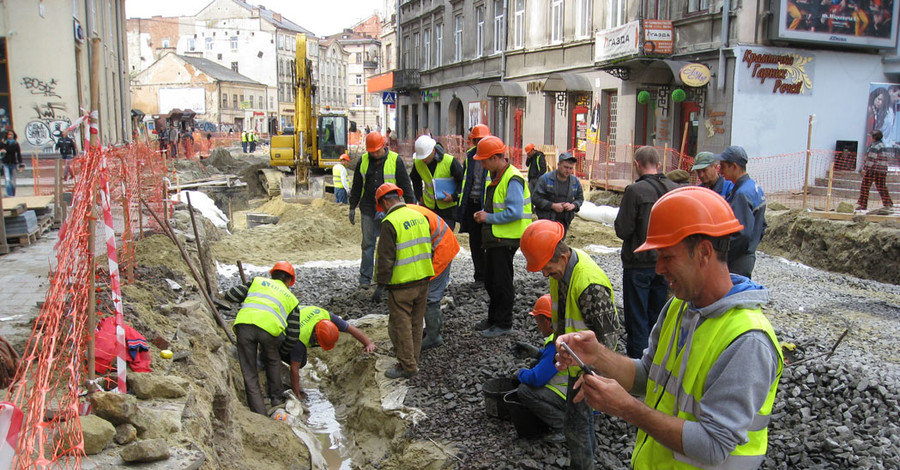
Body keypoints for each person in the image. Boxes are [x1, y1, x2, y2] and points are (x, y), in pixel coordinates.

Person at [555, 186, 783, 469]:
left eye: (668, 256)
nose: (658, 268)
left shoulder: (747, 340)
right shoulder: (679, 307)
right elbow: (647, 376)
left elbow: (713, 446)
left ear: (703, 252)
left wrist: (627, 408)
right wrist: (597, 355)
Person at [519, 219, 618, 470]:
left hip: (587, 369)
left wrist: (592, 377)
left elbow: (608, 338)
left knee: (578, 425)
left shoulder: (589, 284)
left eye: (546, 267)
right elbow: (563, 318)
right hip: (575, 363)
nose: (543, 274)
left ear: (562, 256)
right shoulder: (561, 271)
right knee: (577, 423)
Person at [614, 146, 680, 358]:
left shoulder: (635, 191)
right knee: (658, 318)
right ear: (659, 165)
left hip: (638, 265)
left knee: (637, 320)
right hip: (665, 264)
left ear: (637, 165)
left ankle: (637, 371)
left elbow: (623, 230)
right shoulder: (673, 188)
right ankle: (658, 364)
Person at [473, 135, 533, 337]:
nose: (482, 164)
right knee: (491, 280)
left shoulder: (512, 178)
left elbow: (514, 212)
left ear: (494, 158)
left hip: (506, 238)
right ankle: (494, 319)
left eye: (483, 160)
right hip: (498, 237)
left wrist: (487, 217)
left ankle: (504, 323)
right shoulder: (500, 175)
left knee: (501, 281)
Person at [373, 183, 435, 379]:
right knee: (417, 323)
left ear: (383, 202)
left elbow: (385, 258)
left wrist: (380, 285)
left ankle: (408, 366)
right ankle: (412, 358)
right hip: (423, 279)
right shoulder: (419, 216)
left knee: (402, 325)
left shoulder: (390, 223)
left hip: (402, 284)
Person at [224, 262, 298, 415]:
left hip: (244, 327)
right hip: (269, 332)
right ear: (290, 281)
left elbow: (231, 294)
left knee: (250, 373)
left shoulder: (257, 282)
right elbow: (293, 335)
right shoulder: (291, 298)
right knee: (273, 360)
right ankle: (277, 400)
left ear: (272, 274)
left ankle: (259, 413)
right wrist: (281, 351)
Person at [348, 132, 415, 287]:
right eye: (371, 151)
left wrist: (411, 206)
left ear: (384, 146)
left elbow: (405, 184)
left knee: (389, 245)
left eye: (377, 151)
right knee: (367, 244)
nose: (374, 154)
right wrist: (352, 205)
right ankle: (365, 279)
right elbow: (357, 185)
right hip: (368, 208)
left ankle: (389, 278)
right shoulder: (363, 161)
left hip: (389, 210)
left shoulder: (395, 160)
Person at [278, 305, 376, 400]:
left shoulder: (327, 316)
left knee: (301, 362)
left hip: (296, 315)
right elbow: (294, 369)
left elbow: (351, 329)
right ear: (315, 335)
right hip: (280, 326)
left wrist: (368, 344)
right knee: (299, 362)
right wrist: (297, 394)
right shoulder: (299, 339)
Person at [406, 202, 460, 350]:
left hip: (442, 249)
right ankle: (429, 330)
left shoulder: (407, 219)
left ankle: (434, 337)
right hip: (438, 245)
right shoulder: (406, 212)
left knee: (431, 297)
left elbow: (417, 249)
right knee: (426, 293)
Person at [514, 294, 569, 443]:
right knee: (534, 365)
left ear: (546, 320)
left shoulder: (556, 344)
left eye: (538, 321)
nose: (538, 326)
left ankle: (563, 426)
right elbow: (552, 362)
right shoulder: (567, 333)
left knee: (524, 391)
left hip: (572, 398)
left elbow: (537, 379)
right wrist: (538, 353)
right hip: (583, 396)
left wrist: (520, 373)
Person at [715, 146, 766, 279]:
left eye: (723, 166)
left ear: (735, 166)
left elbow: (741, 234)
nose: (720, 171)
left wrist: (721, 255)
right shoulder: (755, 188)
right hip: (747, 256)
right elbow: (762, 226)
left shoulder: (741, 194)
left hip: (737, 260)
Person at [457, 124, 492, 285]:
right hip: (472, 203)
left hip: (487, 205)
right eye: (476, 140)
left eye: (481, 140)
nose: (478, 143)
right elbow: (466, 180)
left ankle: (488, 276)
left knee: (488, 242)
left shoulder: (494, 155)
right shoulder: (470, 156)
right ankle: (479, 276)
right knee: (475, 242)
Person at [410, 134, 465, 229]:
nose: (424, 160)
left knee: (445, 238)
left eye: (426, 156)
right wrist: (419, 196)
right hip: (429, 206)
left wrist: (454, 196)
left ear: (434, 151)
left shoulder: (449, 161)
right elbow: (415, 179)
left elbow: (462, 180)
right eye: (422, 157)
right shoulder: (418, 163)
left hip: (448, 209)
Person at [531, 152, 584, 234]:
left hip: (564, 221)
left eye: (570, 168)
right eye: (565, 167)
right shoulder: (545, 179)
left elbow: (580, 198)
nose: (568, 171)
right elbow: (535, 198)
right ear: (558, 165)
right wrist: (552, 206)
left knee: (559, 244)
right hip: (547, 220)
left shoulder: (575, 181)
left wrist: (573, 205)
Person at [856, 129, 893, 211]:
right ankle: (888, 203)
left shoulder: (874, 147)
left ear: (874, 137)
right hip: (882, 171)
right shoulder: (882, 145)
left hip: (873, 171)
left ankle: (863, 205)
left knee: (865, 187)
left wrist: (864, 169)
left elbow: (871, 159)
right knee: (882, 187)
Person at [1, 130, 23, 197]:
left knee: (13, 182)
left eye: (11, 135)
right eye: (8, 135)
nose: (10, 136)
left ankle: (13, 195)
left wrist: (20, 165)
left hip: (13, 164)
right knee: (7, 180)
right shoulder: (3, 143)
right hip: (5, 164)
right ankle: (9, 195)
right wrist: (1, 152)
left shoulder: (16, 144)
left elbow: (18, 155)